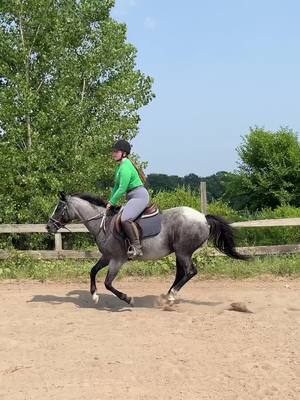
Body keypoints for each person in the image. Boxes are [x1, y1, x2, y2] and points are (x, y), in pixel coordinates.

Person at [106, 139, 150, 259]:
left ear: (124, 153)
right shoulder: (120, 167)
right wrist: (109, 201)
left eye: (116, 151)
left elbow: (122, 189)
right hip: (132, 197)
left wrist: (112, 202)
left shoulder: (125, 167)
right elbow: (115, 187)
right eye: (113, 151)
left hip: (139, 196)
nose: (113, 154)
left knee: (125, 219)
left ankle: (137, 247)